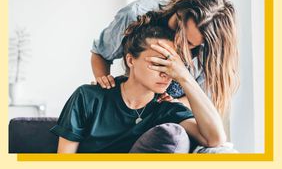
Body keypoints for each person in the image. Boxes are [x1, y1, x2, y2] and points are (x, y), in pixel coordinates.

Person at [50, 18, 226, 153]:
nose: (166, 73)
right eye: (157, 63)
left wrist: (185, 77)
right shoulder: (88, 97)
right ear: (130, 59)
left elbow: (215, 139)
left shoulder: (167, 109)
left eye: (172, 65)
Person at [91, 0, 239, 117]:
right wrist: (105, 87)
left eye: (188, 43)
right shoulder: (135, 13)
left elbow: (203, 100)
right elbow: (101, 53)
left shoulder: (210, 52)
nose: (176, 42)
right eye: (176, 27)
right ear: (177, 8)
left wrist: (175, 105)